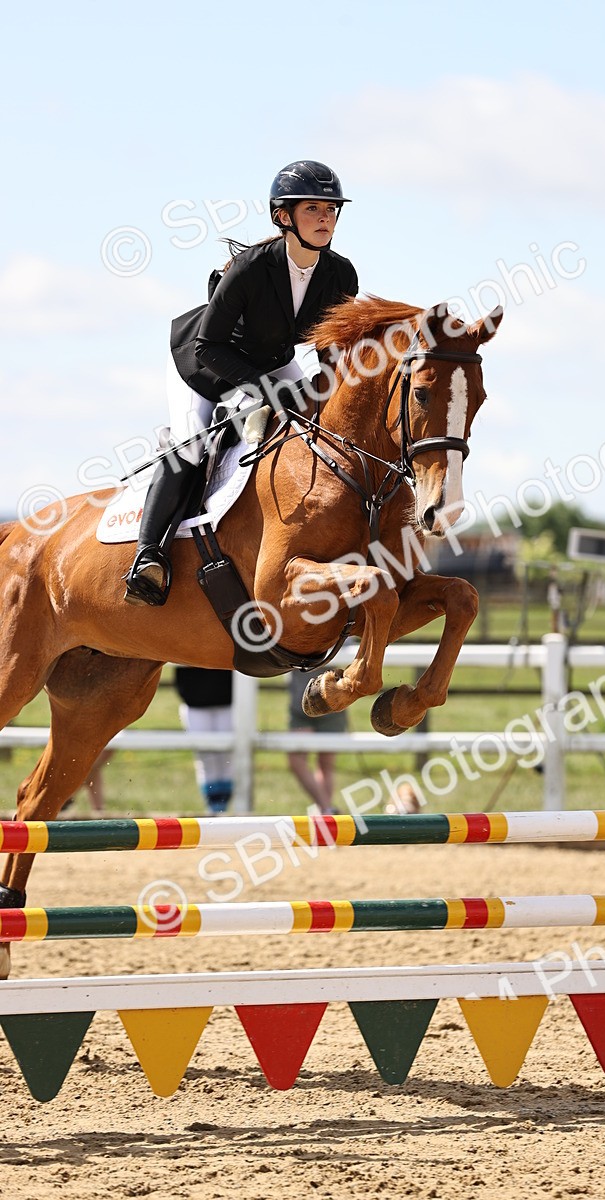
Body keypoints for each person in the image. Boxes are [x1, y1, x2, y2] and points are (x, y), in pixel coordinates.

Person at [123, 160, 359, 606]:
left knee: (320, 421)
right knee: (191, 445)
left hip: (272, 360)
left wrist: (329, 388)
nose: (325, 217)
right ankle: (147, 556)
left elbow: (332, 349)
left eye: (331, 209)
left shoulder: (341, 274)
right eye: (312, 208)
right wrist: (268, 392)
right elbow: (208, 346)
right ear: (283, 216)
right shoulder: (252, 268)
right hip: (205, 365)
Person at [287, 665, 348, 816]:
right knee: (296, 760)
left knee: (325, 764)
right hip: (300, 705)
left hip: (332, 704)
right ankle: (327, 809)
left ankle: (325, 812)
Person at [175, 666, 234, 815]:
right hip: (194, 697)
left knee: (228, 758)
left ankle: (223, 808)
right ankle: (215, 808)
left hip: (228, 696)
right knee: (205, 757)